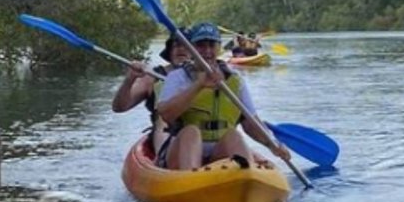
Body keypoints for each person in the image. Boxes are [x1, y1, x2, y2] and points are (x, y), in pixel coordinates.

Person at [156, 22, 290, 170]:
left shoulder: (234, 79)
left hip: (219, 152)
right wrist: (199, 86)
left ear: (219, 48)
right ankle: (191, 176)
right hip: (183, 150)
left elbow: (251, 123)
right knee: (191, 132)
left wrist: (272, 144)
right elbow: (166, 115)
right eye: (201, 45)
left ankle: (245, 175)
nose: (207, 51)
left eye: (211, 45)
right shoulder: (177, 77)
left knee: (234, 136)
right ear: (191, 48)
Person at [111, 28, 191, 156]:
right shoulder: (152, 77)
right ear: (170, 51)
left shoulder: (205, 77)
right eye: (177, 45)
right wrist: (129, 79)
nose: (181, 49)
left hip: (196, 132)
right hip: (166, 134)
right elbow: (119, 107)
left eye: (187, 46)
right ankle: (162, 158)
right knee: (162, 120)